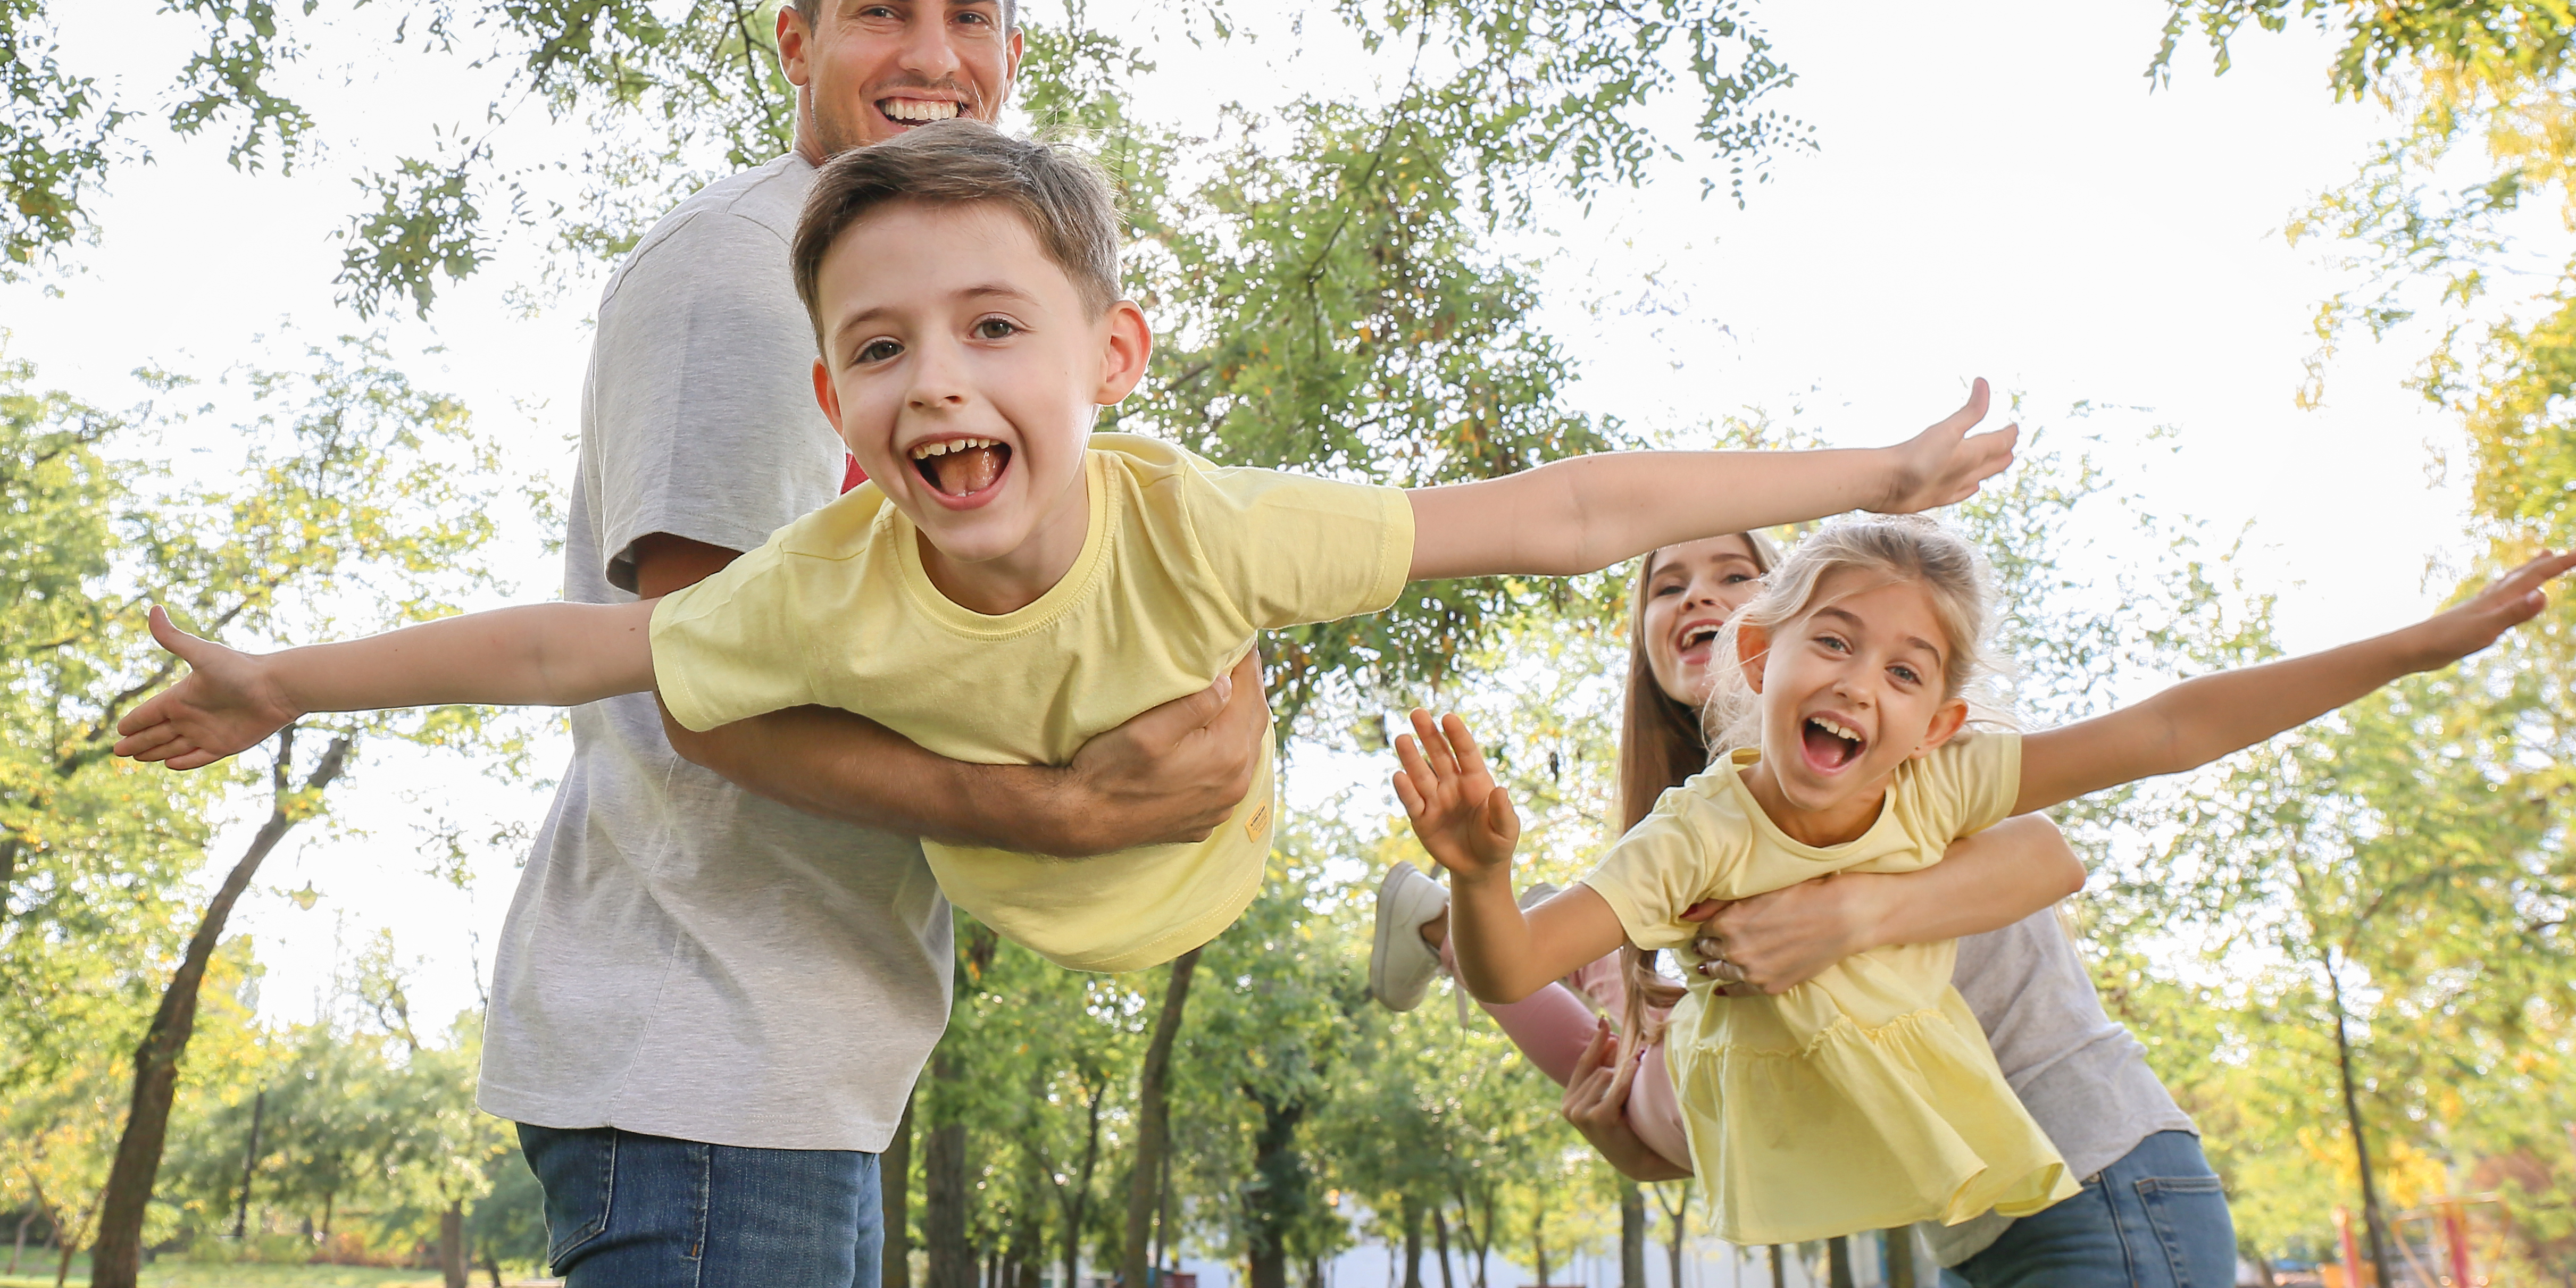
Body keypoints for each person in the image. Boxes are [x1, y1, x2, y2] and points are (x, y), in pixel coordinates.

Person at [209, 0, 1265, 1288]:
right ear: (796, 39)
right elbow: (699, 691)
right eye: (881, 12)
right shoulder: (738, 280)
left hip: (802, 1061)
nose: (933, 57)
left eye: (971, 17)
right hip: (699, 1045)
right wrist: (1062, 811)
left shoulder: (912, 292)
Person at [118, 128, 2027, 974]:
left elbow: (1568, 516)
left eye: (992, 329)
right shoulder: (823, 577)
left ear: (1110, 359)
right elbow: (563, 651)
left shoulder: (1207, 526)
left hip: (1209, 852)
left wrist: (1878, 473)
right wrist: (283, 681)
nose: (938, 380)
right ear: (833, 397)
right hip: (1027, 886)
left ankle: (1430, 934)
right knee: (740, 684)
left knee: (1396, 861)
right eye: (882, 351)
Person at [1396, 520, 2576, 1288]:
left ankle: (1426, 924)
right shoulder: (1698, 833)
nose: (1859, 679)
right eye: (1833, 642)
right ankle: (1424, 920)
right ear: (1765, 653)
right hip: (1974, 1246)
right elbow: (1533, 970)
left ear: (1938, 717)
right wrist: (1482, 881)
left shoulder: (1933, 780)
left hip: (2106, 1199)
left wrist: (2416, 647)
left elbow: (2156, 744)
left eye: (1902, 669)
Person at [1364, 531, 2087, 1184]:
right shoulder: (1701, 815)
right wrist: (1651, 1157)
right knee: (1653, 1084)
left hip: (2067, 1139)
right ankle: (1523, 934)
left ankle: (1469, 931)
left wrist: (1842, 915)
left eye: (1734, 576)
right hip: (1960, 1193)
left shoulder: (1901, 756)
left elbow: (2048, 854)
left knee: (1661, 1090)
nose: (1698, 597)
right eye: (1668, 587)